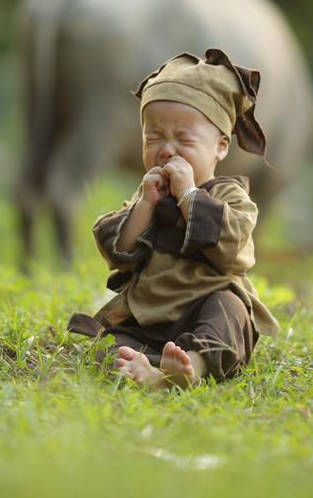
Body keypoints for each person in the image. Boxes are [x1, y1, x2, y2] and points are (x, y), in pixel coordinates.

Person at [67, 48, 280, 389]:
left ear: (221, 146)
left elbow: (235, 250)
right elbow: (116, 251)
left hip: (205, 309)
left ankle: (190, 366)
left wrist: (189, 196)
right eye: (153, 137)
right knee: (108, 346)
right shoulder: (149, 196)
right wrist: (144, 206)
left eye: (183, 139)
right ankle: (147, 368)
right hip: (149, 317)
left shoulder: (228, 195)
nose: (166, 150)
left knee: (230, 310)